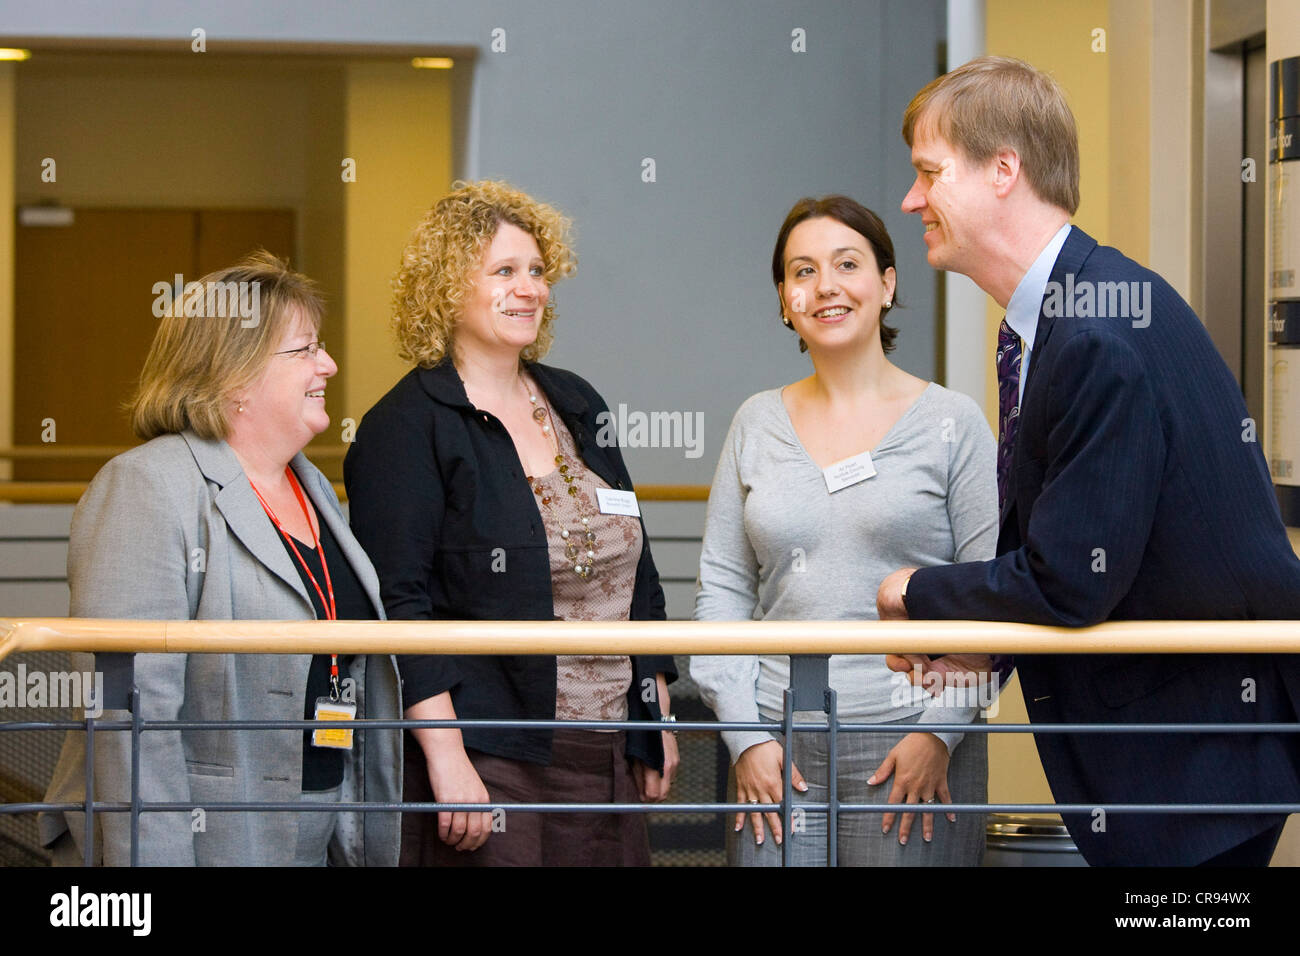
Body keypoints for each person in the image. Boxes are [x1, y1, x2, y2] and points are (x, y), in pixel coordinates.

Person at [877, 55, 1300, 867]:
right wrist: (981, 636)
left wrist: (913, 594)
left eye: (929, 173)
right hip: (1189, 762)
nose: (912, 199)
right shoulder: (1085, 306)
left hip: (1189, 776)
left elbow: (1072, 576)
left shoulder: (1096, 334)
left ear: (1004, 170)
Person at [344, 179, 678, 867]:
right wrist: (447, 760)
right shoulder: (405, 428)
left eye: (536, 271)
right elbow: (401, 613)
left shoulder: (576, 400)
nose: (529, 289)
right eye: (503, 272)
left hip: (608, 749)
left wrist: (656, 718)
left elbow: (638, 577)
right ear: (446, 287)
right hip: (493, 756)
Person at [39, 252, 402, 866]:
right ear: (234, 375)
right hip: (207, 840)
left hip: (321, 824)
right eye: (305, 349)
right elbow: (129, 717)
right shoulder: (146, 486)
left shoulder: (313, 487)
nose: (329, 364)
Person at [691, 195, 997, 866]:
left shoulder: (954, 422)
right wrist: (746, 738)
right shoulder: (755, 423)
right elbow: (721, 594)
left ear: (887, 284)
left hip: (911, 742)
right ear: (784, 299)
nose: (824, 285)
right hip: (774, 739)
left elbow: (990, 598)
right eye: (802, 271)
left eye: (847, 264)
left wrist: (939, 738)